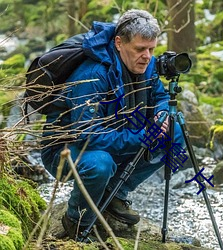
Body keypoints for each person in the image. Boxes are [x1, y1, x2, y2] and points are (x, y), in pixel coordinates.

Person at [41, 9, 184, 241]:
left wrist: (161, 114)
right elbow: (87, 136)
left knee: (174, 133)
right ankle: (76, 221)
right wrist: (143, 136)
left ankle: (115, 193)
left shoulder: (145, 65)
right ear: (119, 43)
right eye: (140, 49)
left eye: (151, 49)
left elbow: (160, 97)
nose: (147, 56)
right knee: (100, 164)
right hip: (66, 150)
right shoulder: (93, 75)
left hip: (117, 135)